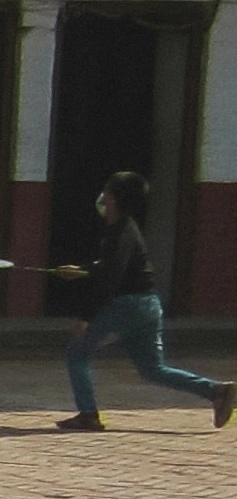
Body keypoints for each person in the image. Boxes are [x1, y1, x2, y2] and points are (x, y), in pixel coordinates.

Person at [53, 170, 233, 432]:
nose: (102, 197)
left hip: (128, 304)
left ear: (113, 197)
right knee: (152, 369)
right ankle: (215, 390)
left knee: (77, 353)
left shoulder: (119, 233)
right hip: (148, 305)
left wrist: (86, 318)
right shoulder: (125, 229)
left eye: (106, 191)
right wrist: (81, 269)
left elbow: (110, 279)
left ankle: (88, 414)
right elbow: (112, 268)